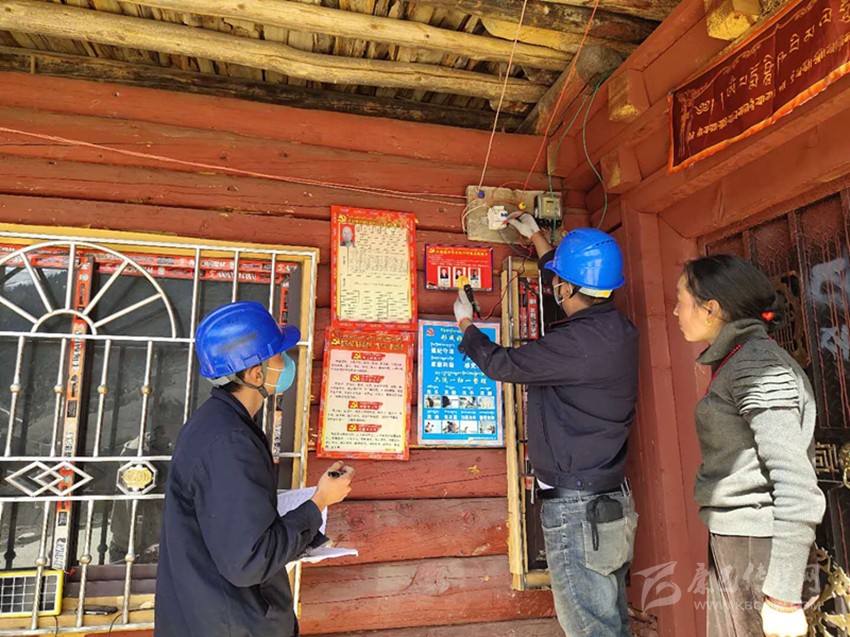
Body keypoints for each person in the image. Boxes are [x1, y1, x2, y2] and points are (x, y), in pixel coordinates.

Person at [455, 216, 639, 637]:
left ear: (567, 288)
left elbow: (503, 364)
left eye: (559, 280)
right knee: (610, 625)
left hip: (578, 512)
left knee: (591, 631)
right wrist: (538, 238)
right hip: (609, 504)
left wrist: (466, 325)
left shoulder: (575, 345)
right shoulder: (618, 331)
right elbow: (572, 290)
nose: (555, 286)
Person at [156, 301, 354, 637]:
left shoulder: (217, 423)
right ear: (255, 374)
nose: (286, 363)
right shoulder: (230, 442)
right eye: (278, 355)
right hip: (232, 624)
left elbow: (236, 529)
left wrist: (307, 535)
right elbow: (250, 561)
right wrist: (319, 502)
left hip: (211, 615)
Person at [673, 255, 826, 637]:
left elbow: (796, 484)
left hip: (759, 548)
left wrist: (783, 596)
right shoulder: (737, 359)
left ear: (711, 309)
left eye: (681, 300)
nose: (675, 311)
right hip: (739, 540)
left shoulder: (755, 366)